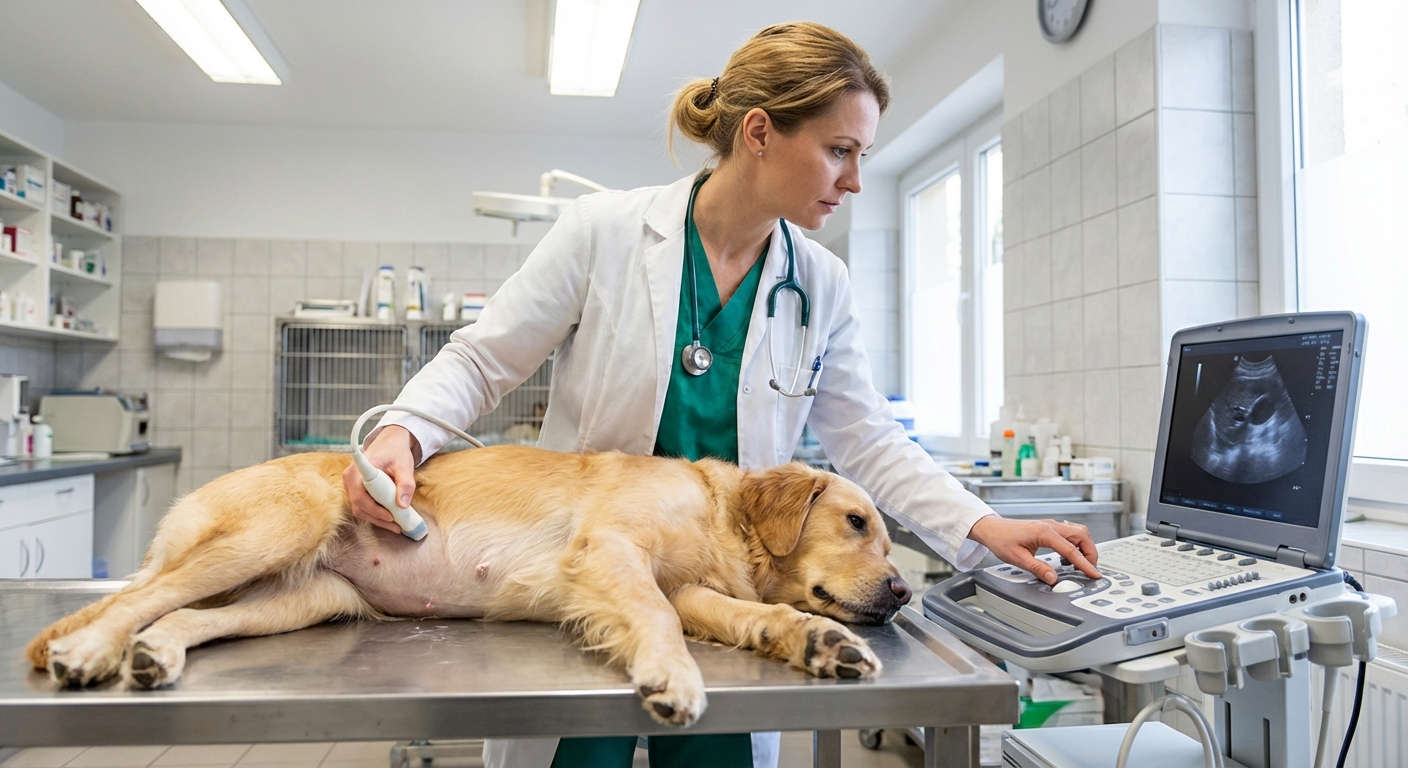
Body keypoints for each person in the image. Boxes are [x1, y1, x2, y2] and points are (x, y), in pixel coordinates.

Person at [344, 21, 1100, 768]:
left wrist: (982, 524)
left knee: (716, 749)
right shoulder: (603, 232)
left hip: (723, 593)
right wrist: (403, 433)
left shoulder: (820, 282)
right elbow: (483, 359)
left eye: (861, 155)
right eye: (840, 151)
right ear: (762, 132)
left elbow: (865, 435)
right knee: (582, 749)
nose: (855, 180)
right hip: (599, 571)